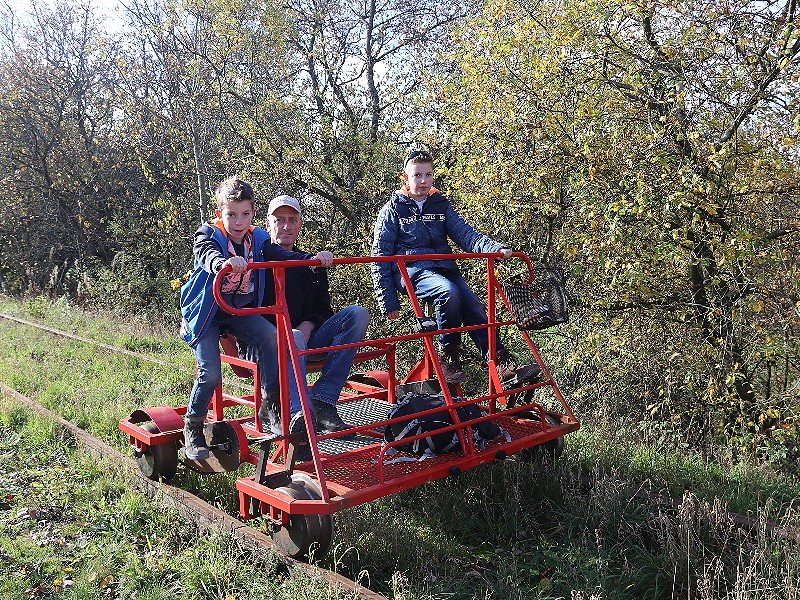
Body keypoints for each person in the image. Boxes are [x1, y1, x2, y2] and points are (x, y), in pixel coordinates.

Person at [179, 176, 333, 460]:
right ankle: (193, 426)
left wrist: (312, 259)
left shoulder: (258, 238)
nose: (238, 222)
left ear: (252, 213)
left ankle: (271, 406)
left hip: (239, 312)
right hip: (207, 313)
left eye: (245, 214)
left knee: (274, 339)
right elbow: (206, 254)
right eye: (231, 215)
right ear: (220, 214)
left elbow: (279, 254)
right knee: (210, 373)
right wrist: (222, 264)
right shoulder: (209, 234)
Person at [370, 149, 539, 383]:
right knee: (447, 292)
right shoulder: (393, 209)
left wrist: (495, 249)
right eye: (417, 175)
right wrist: (388, 300)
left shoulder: (440, 205)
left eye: (428, 175)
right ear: (405, 177)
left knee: (473, 304)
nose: (423, 181)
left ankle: (500, 362)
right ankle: (448, 355)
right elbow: (380, 254)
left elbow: (466, 234)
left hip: (443, 268)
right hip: (412, 270)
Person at [260, 195, 370, 433]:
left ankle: (323, 400)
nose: (286, 226)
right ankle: (302, 415)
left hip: (307, 340)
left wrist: (310, 322)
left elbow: (323, 310)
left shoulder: (311, 264)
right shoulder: (259, 259)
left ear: (300, 224)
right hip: (272, 343)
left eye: (292, 220)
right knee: (295, 336)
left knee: (358, 314)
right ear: (268, 223)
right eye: (279, 220)